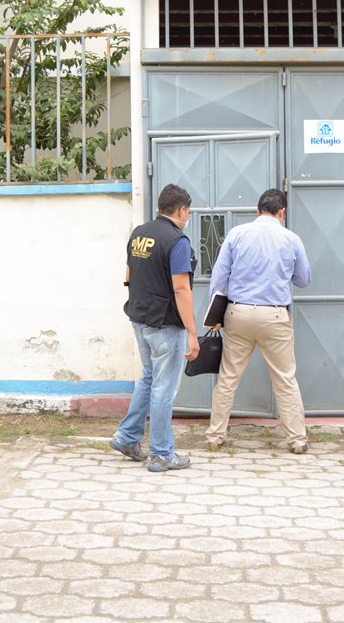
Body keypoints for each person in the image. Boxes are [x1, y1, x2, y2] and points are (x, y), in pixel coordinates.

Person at [206, 188, 312, 454]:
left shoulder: (236, 234)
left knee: (228, 377)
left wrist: (214, 317)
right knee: (285, 379)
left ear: (257, 210)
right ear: (282, 212)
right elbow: (303, 280)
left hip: (238, 313)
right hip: (274, 315)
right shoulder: (291, 238)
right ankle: (297, 440)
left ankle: (215, 436)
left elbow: (219, 279)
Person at [109, 184, 199, 473]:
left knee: (148, 378)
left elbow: (128, 276)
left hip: (140, 318)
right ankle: (161, 453)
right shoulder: (177, 240)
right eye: (189, 211)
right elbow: (182, 289)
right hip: (165, 325)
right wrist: (193, 333)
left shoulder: (139, 234)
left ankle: (127, 437)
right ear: (182, 210)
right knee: (164, 387)